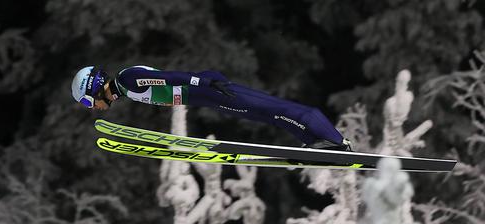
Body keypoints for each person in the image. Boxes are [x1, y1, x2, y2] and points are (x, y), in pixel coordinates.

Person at [71, 65, 352, 151]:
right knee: (272, 115)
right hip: (210, 97)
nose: (92, 107)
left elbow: (170, 78)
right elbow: (169, 87)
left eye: (87, 101)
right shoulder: (126, 90)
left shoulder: (127, 79)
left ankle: (337, 141)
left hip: (212, 92)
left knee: (276, 109)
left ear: (95, 87)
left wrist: (205, 81)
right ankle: (319, 142)